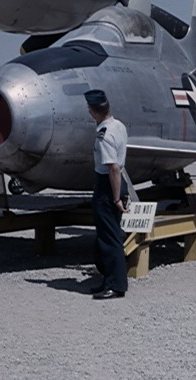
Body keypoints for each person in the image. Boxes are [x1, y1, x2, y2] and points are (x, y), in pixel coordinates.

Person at [85, 89, 129, 300]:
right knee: (107, 236)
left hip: (108, 186)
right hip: (117, 184)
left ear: (93, 111)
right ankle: (108, 280)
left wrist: (115, 198)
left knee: (110, 238)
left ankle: (116, 285)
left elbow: (113, 168)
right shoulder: (118, 126)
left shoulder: (104, 134)